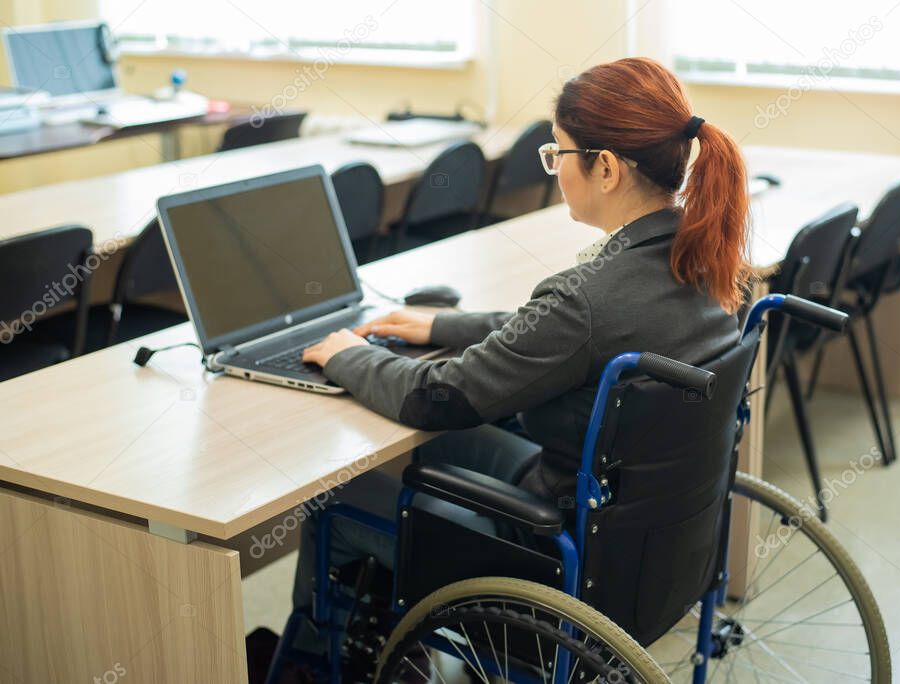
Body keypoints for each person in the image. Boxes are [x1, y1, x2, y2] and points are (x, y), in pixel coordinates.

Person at [291, 56, 753, 643]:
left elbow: (436, 399)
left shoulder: (589, 298)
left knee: (338, 493)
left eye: (556, 154)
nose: (554, 169)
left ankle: (316, 656)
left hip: (550, 555)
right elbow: (558, 334)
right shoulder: (703, 258)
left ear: (605, 167)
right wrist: (441, 327)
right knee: (432, 454)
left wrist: (344, 354)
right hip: (645, 540)